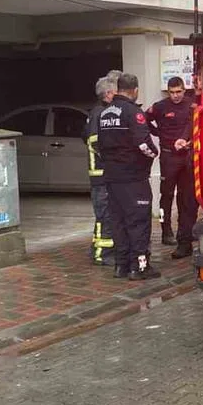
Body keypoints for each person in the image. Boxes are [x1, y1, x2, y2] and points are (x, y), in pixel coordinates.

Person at [97, 72, 161, 280]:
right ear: (135, 90)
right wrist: (154, 154)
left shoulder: (104, 113)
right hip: (133, 178)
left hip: (112, 178)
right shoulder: (133, 113)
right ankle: (140, 267)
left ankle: (121, 266)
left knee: (119, 223)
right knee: (139, 223)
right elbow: (144, 144)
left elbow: (99, 145)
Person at [146, 76, 197, 255]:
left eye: (179, 92)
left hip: (187, 157)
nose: (176, 96)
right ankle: (165, 230)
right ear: (168, 92)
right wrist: (158, 133)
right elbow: (143, 119)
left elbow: (194, 125)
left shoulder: (192, 105)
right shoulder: (160, 106)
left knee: (188, 197)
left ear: (184, 90)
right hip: (168, 157)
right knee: (166, 195)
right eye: (172, 92)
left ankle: (187, 231)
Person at [83, 72, 120, 265]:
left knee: (105, 215)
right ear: (108, 94)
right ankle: (102, 254)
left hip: (101, 176)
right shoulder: (99, 114)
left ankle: (97, 249)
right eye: (116, 91)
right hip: (101, 176)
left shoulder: (96, 113)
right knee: (104, 216)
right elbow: (96, 142)